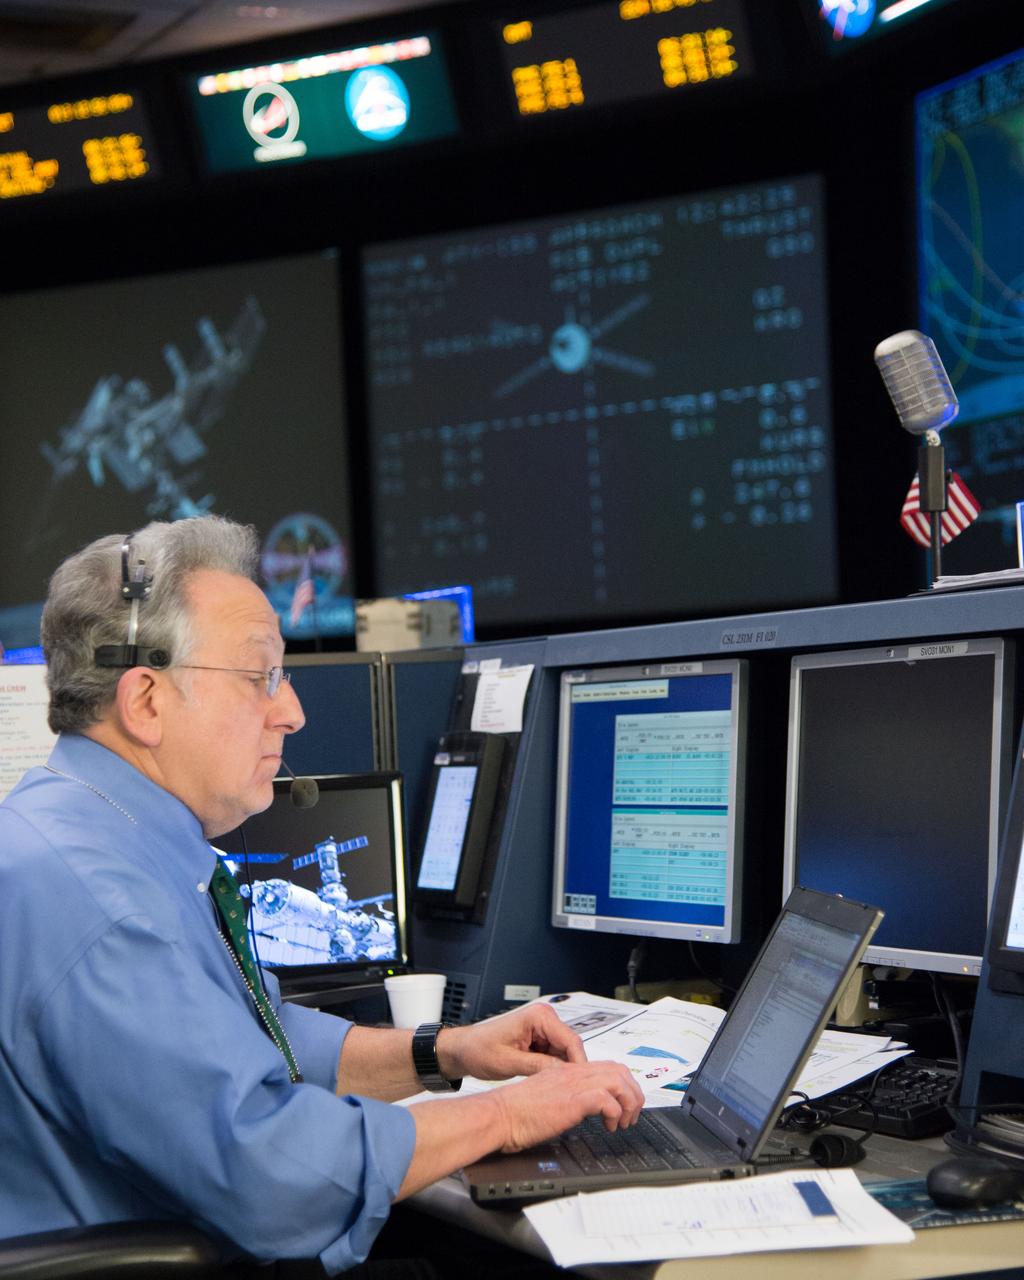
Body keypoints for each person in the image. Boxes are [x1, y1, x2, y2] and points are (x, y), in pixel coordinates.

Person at [0, 516, 642, 1275]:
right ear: (146, 701)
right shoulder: (105, 907)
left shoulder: (87, 835)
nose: (293, 711)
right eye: (261, 676)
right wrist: (504, 1115)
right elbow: (271, 1170)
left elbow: (253, 1041)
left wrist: (446, 1051)